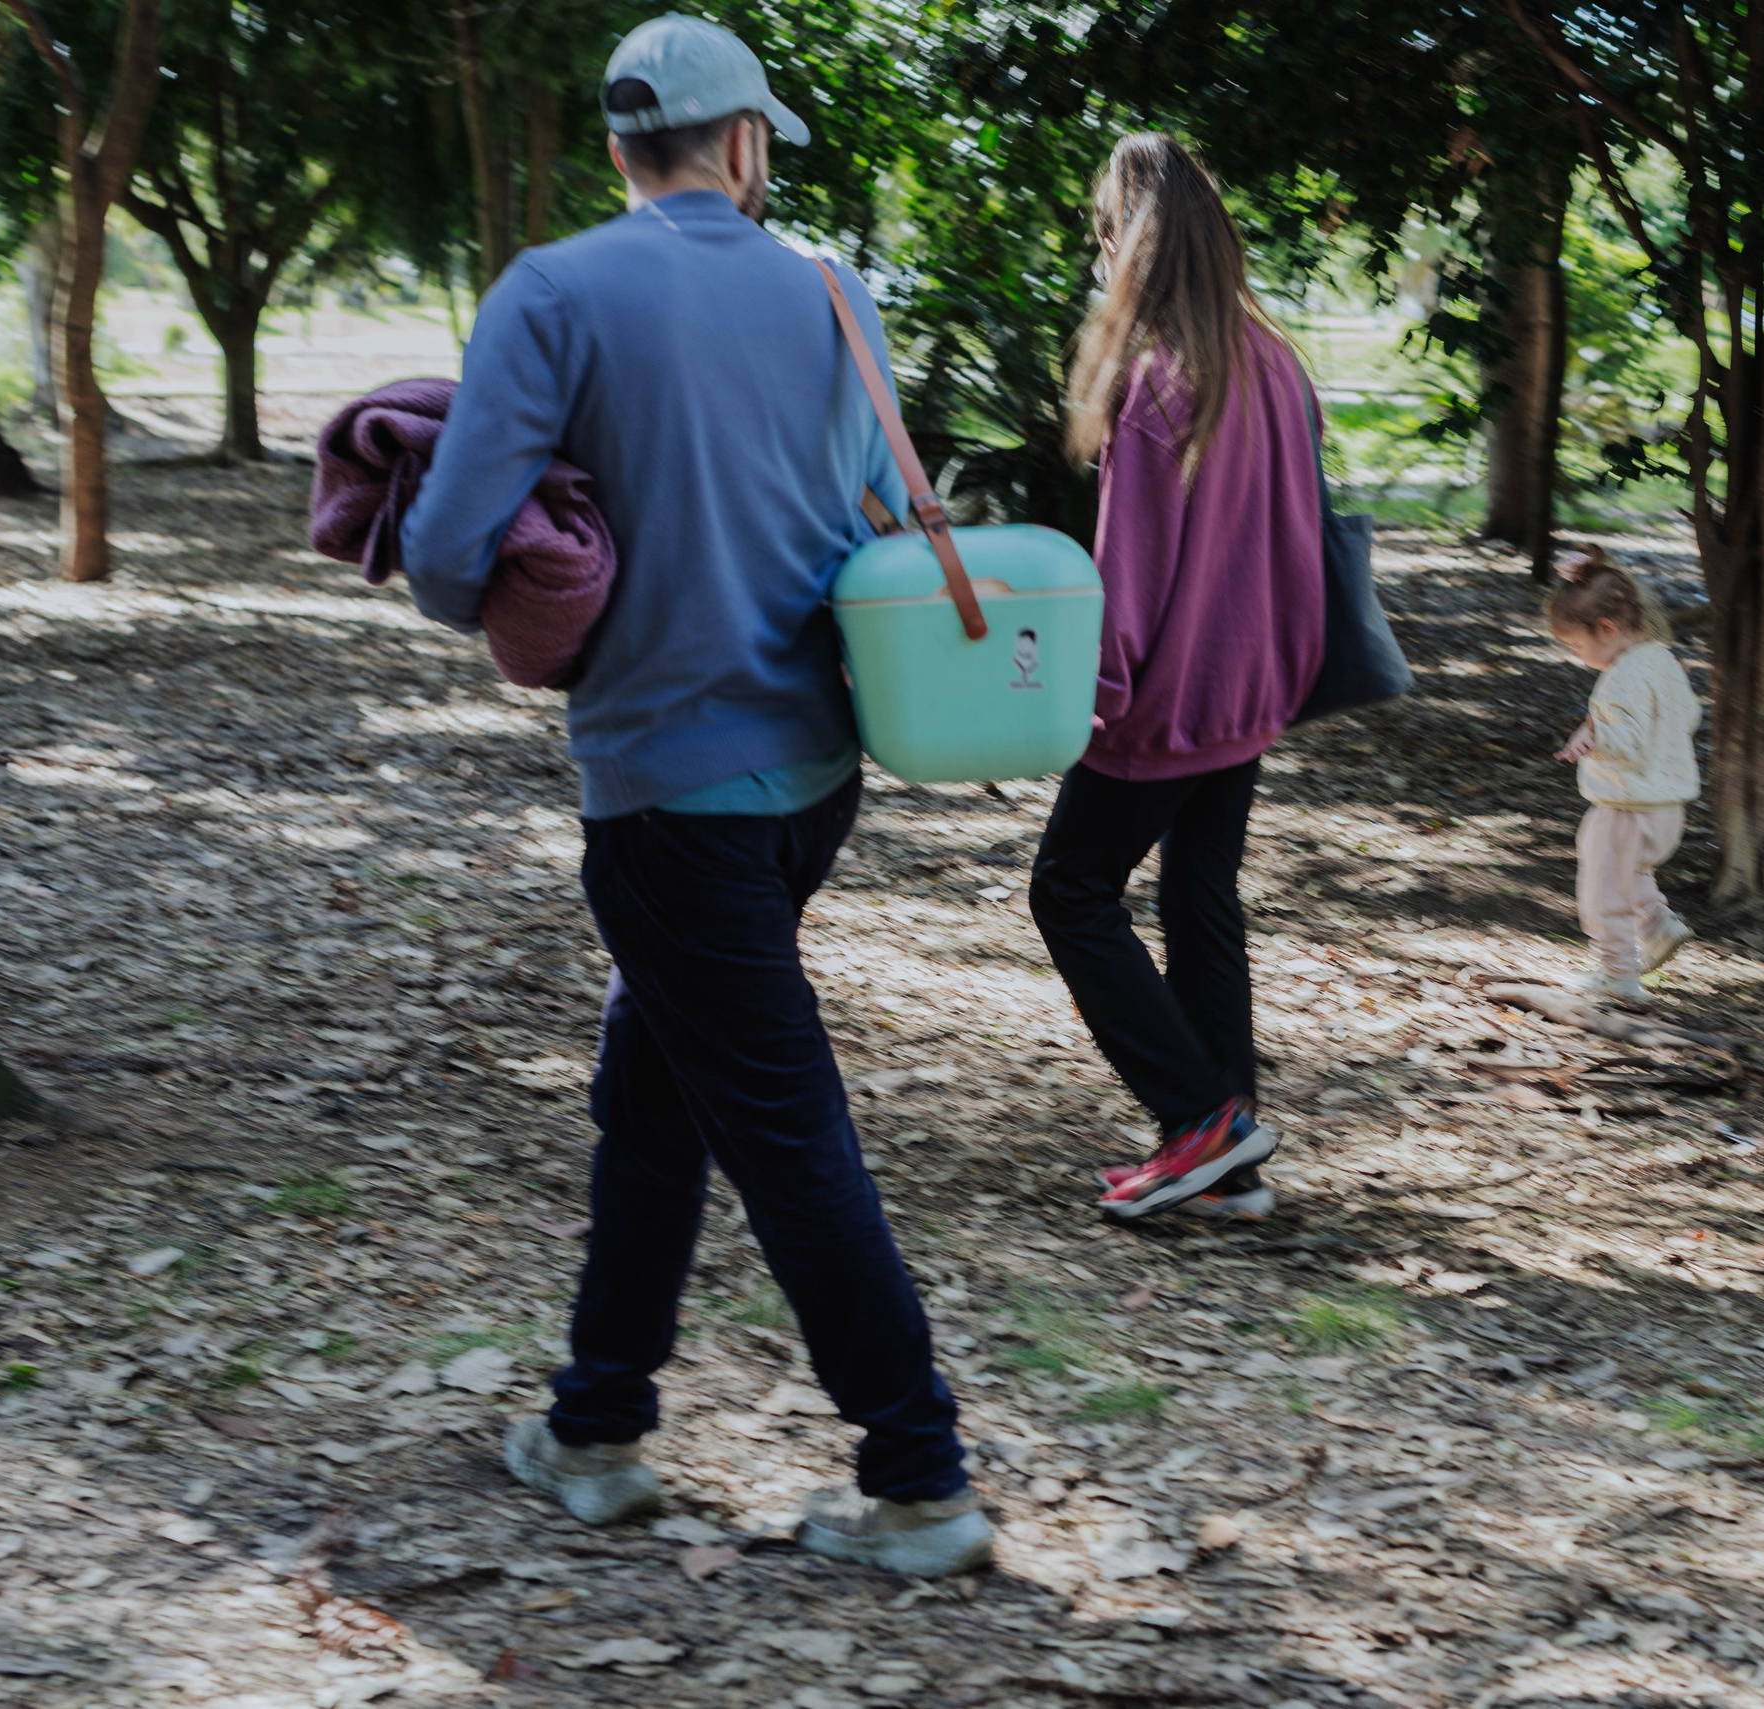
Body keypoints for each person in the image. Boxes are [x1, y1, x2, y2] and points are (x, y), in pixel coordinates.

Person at [399, 14, 989, 1576]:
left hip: (667, 788)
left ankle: (922, 1480)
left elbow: (446, 562)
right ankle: (594, 1430)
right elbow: (887, 506)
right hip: (815, 775)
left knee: (783, 1134)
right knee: (655, 1099)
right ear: (743, 144)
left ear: (619, 148)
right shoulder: (830, 287)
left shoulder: (551, 291)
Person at [1028, 133, 1326, 1221]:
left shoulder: (1158, 380)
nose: (1097, 253)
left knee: (1067, 890)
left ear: (1134, 242)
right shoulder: (1274, 362)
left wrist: (1091, 702)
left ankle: (1201, 1117)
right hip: (1249, 692)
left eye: (1103, 233)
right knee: (1200, 901)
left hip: (1166, 703)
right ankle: (1228, 1166)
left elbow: (1131, 576)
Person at [1548, 549, 1699, 1004]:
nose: (1577, 656)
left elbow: (1627, 741)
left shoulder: (1623, 677)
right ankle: (1656, 922)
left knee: (1602, 891)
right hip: (1665, 806)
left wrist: (1594, 739)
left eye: (1577, 645)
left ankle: (1618, 975)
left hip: (1627, 807)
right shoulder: (1661, 660)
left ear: (1607, 629)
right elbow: (1686, 716)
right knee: (1624, 871)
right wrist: (1596, 728)